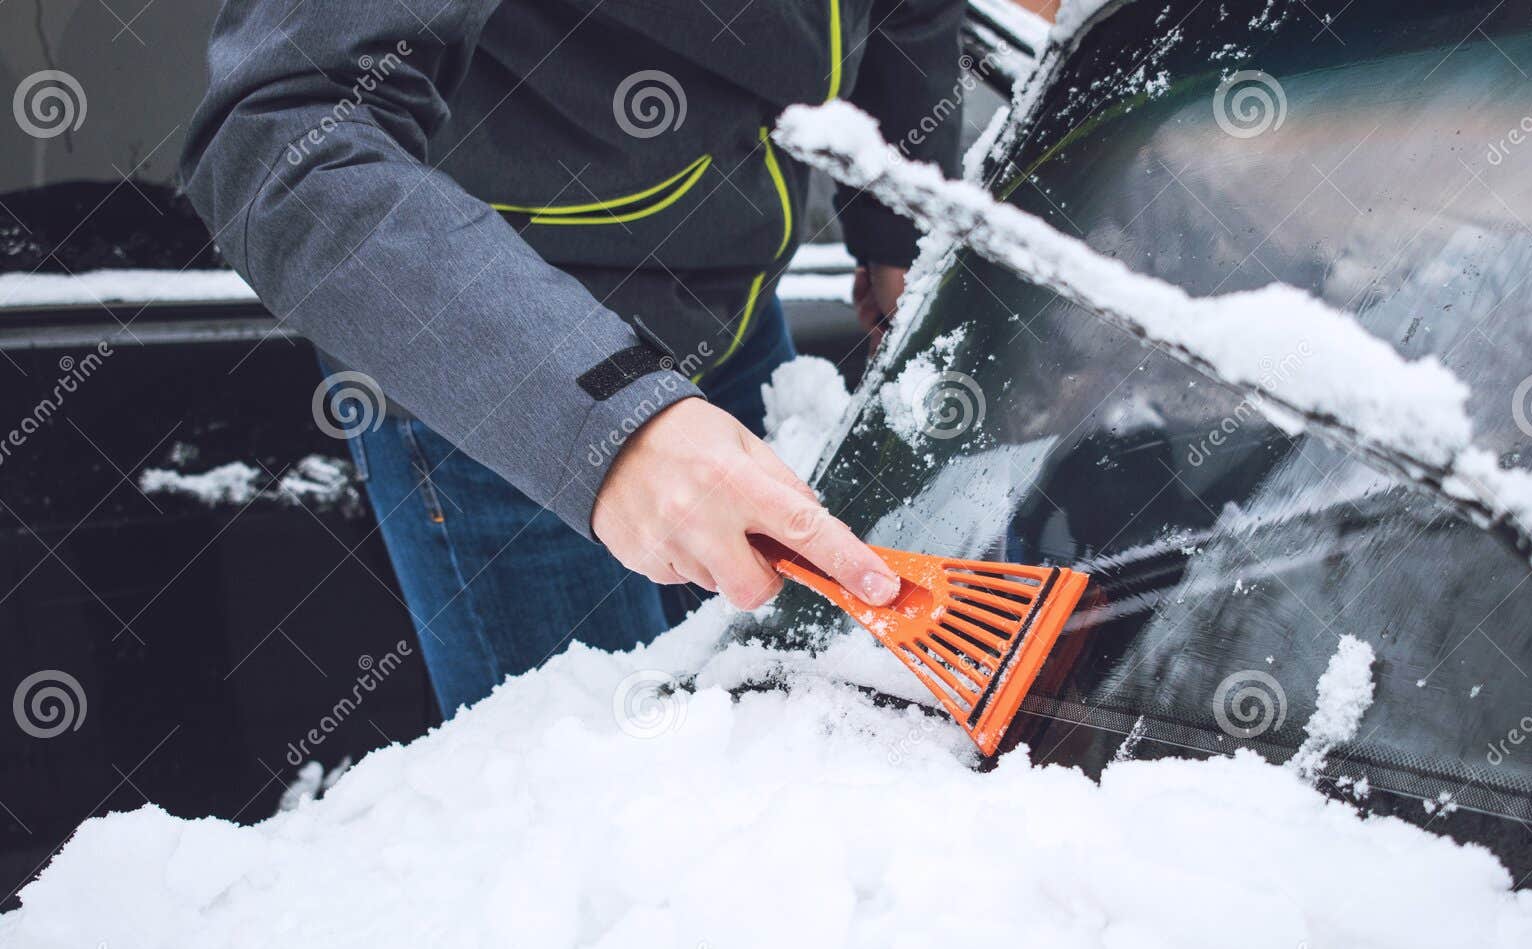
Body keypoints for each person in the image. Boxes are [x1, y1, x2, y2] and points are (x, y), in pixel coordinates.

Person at [182, 1, 962, 716]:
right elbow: (279, 138)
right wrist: (604, 416)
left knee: (764, 759)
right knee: (607, 813)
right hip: (510, 377)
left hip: (736, 319)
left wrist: (900, 233)